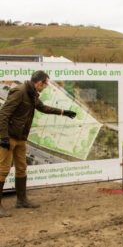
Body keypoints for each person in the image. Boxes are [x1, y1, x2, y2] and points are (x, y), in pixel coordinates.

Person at [0, 70, 76, 218]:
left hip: (21, 138)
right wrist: (3, 137)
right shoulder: (20, 91)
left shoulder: (32, 93)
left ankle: (21, 201)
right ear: (39, 82)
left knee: (21, 168)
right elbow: (3, 114)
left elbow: (42, 107)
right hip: (9, 137)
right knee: (2, 170)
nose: (46, 87)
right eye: (46, 84)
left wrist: (63, 112)